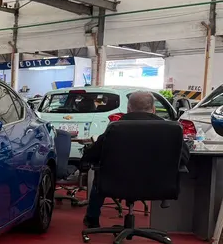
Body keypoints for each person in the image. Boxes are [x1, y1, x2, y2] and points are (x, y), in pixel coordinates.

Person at [81, 90, 190, 228]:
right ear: (154, 109)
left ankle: (92, 218)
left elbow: (92, 155)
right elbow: (184, 158)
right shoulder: (171, 129)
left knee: (99, 175)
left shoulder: (116, 128)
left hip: (116, 184)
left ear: (128, 109)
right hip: (158, 185)